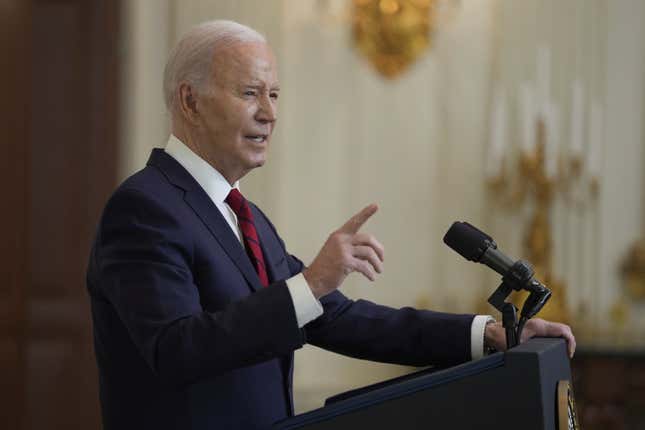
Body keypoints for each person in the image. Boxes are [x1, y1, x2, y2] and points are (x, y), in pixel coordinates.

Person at [86, 20, 575, 430]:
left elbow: (332, 316)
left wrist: (488, 334)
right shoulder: (144, 209)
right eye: (250, 93)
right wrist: (312, 282)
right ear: (190, 102)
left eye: (275, 94)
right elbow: (177, 350)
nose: (270, 114)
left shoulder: (243, 214)